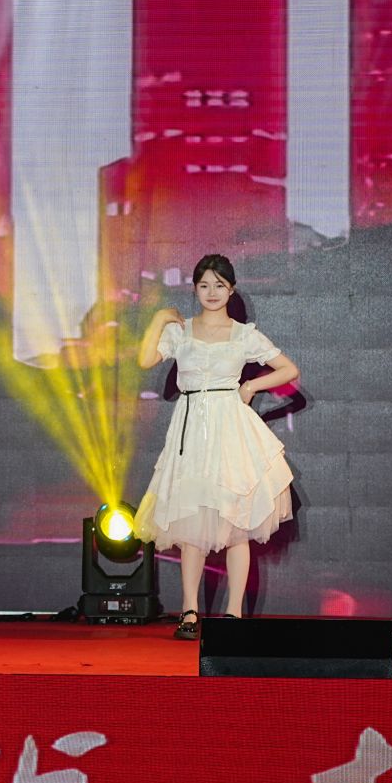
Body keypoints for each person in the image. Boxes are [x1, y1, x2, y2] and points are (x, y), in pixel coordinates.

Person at [132, 253, 298, 639]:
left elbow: (289, 369)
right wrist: (159, 319)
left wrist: (251, 386)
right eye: (204, 285)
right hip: (191, 430)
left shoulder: (244, 334)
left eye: (219, 285)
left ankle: (233, 614)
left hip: (230, 429)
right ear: (195, 289)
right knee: (192, 523)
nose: (211, 292)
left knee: (237, 523)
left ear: (231, 290)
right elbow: (144, 359)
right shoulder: (182, 331)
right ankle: (189, 612)